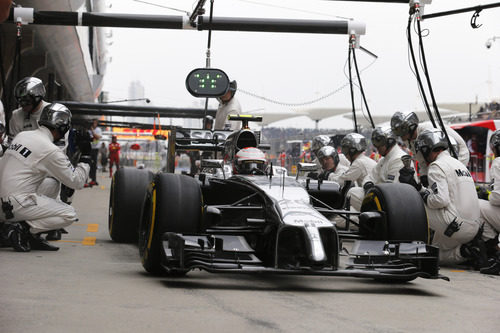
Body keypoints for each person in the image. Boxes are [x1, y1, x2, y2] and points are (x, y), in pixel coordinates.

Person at [0, 103, 90, 252]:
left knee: (53, 184)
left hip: (4, 200)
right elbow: (77, 181)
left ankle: (30, 235)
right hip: (11, 207)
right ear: (63, 127)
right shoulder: (51, 150)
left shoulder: (23, 135)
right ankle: (22, 228)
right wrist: (85, 157)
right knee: (69, 214)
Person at [402, 129, 484, 267]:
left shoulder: (436, 166)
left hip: (455, 225)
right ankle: (466, 251)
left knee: (412, 203)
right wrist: (420, 189)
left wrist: (419, 194)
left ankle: (406, 245)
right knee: (435, 252)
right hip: (473, 227)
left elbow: (440, 200)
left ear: (426, 149)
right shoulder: (458, 164)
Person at [390, 111, 469, 187]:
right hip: (442, 158)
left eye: (400, 130)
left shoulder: (428, 130)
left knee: (450, 184)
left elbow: (444, 152)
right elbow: (421, 160)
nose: (399, 135)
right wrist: (424, 176)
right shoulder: (408, 140)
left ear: (409, 127)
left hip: (459, 152)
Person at [477, 130, 500, 275]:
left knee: (476, 206)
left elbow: (498, 197)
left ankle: (494, 252)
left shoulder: (498, 162)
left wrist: (488, 196)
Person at [337, 133, 376, 211]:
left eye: (345, 150)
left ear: (352, 150)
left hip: (372, 201)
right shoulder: (364, 160)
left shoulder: (358, 163)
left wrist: (328, 176)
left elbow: (342, 181)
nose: (345, 154)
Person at [88, 119, 102, 185]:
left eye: (95, 123)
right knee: (89, 163)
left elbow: (98, 137)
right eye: (93, 123)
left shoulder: (98, 130)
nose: (94, 124)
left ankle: (94, 179)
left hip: (95, 149)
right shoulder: (89, 130)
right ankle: (90, 178)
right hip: (90, 148)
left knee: (94, 164)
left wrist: (93, 132)